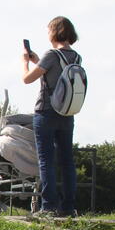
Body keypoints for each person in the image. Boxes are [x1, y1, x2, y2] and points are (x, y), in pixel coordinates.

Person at [22, 16, 81, 217]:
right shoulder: (76, 57)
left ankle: (48, 206)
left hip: (46, 112)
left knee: (46, 160)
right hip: (67, 113)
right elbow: (56, 76)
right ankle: (68, 207)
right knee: (67, 160)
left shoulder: (51, 54)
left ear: (55, 31)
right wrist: (38, 60)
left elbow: (27, 79)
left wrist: (25, 64)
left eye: (48, 30)